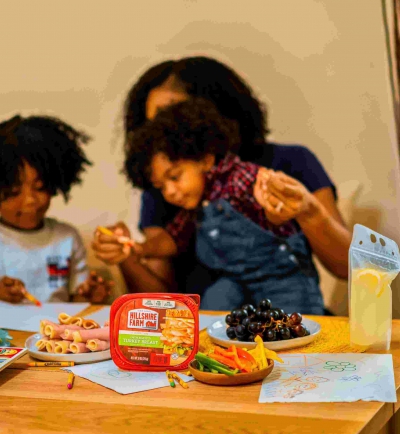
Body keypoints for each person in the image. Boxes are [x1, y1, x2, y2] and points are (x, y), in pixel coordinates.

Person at [92, 56, 351, 309]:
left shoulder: (279, 166)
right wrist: (129, 253)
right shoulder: (166, 191)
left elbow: (348, 268)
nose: (161, 133)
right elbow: (163, 302)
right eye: (152, 125)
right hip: (223, 317)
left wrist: (307, 211)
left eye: (170, 115)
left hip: (287, 295)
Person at [121, 98, 326, 314]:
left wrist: (272, 205)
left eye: (175, 177)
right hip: (237, 281)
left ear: (206, 161)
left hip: (283, 278)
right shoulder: (197, 206)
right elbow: (172, 239)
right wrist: (140, 249)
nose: (169, 192)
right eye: (161, 187)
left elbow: (276, 215)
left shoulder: (241, 179)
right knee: (213, 303)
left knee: (291, 325)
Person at [0, 114, 113, 304]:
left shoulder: (66, 238)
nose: (29, 200)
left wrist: (89, 295)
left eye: (40, 187)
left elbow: (75, 300)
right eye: (14, 191)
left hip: (55, 332)